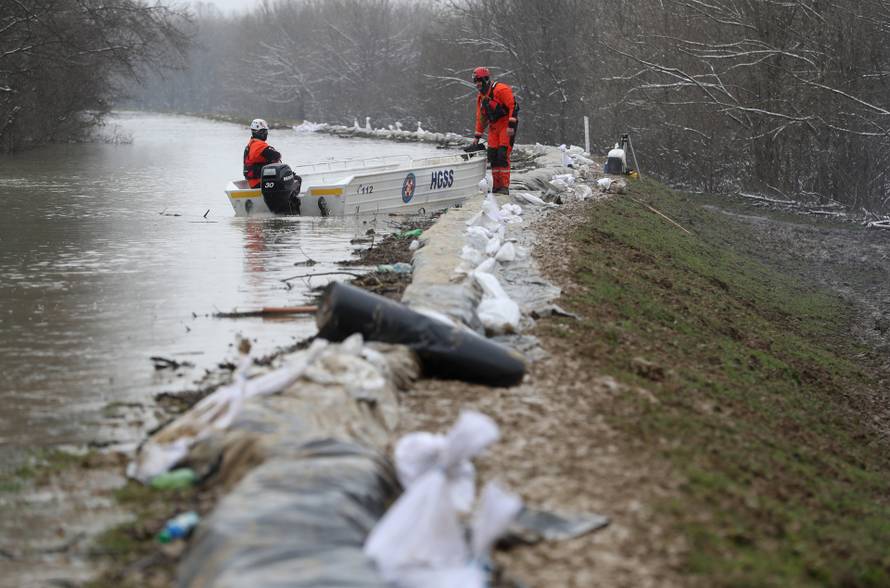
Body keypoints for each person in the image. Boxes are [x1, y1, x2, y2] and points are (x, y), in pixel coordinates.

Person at [472, 67, 517, 195]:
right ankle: (497, 186)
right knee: (492, 155)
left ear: (486, 79)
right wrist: (477, 136)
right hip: (494, 126)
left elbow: (513, 107)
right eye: (475, 81)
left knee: (502, 155)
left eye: (479, 80)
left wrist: (511, 125)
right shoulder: (481, 98)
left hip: (505, 125)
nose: (477, 84)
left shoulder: (501, 89)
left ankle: (504, 186)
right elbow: (481, 118)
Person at [243, 118, 282, 188]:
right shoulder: (259, 145)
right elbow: (276, 156)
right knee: (296, 179)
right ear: (260, 132)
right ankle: (292, 198)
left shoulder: (252, 144)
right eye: (265, 131)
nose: (266, 133)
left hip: (254, 182)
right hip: (260, 182)